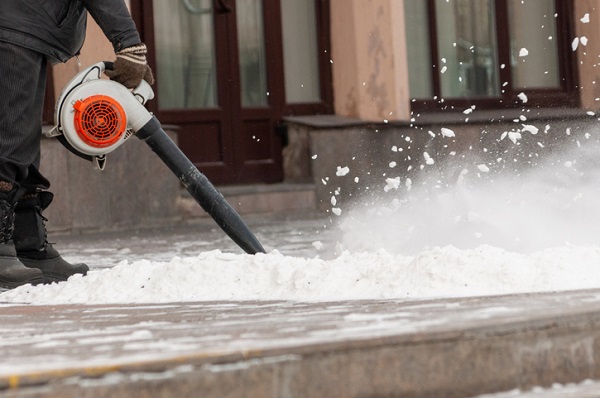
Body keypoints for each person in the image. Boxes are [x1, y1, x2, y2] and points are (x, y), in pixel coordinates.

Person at [0, 0, 154, 289]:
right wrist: (129, 46)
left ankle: (27, 246)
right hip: (15, 22)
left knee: (23, 141)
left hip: (25, 24)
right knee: (9, 139)